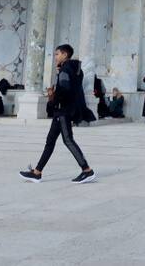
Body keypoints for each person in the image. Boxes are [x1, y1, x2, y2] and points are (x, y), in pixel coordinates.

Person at [19, 44, 95, 184]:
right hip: (62, 110)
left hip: (63, 111)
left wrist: (53, 97)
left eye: (57, 54)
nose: (55, 57)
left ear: (65, 55)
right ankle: (37, 172)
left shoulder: (65, 70)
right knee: (50, 141)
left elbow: (65, 90)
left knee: (68, 140)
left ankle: (87, 170)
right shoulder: (74, 69)